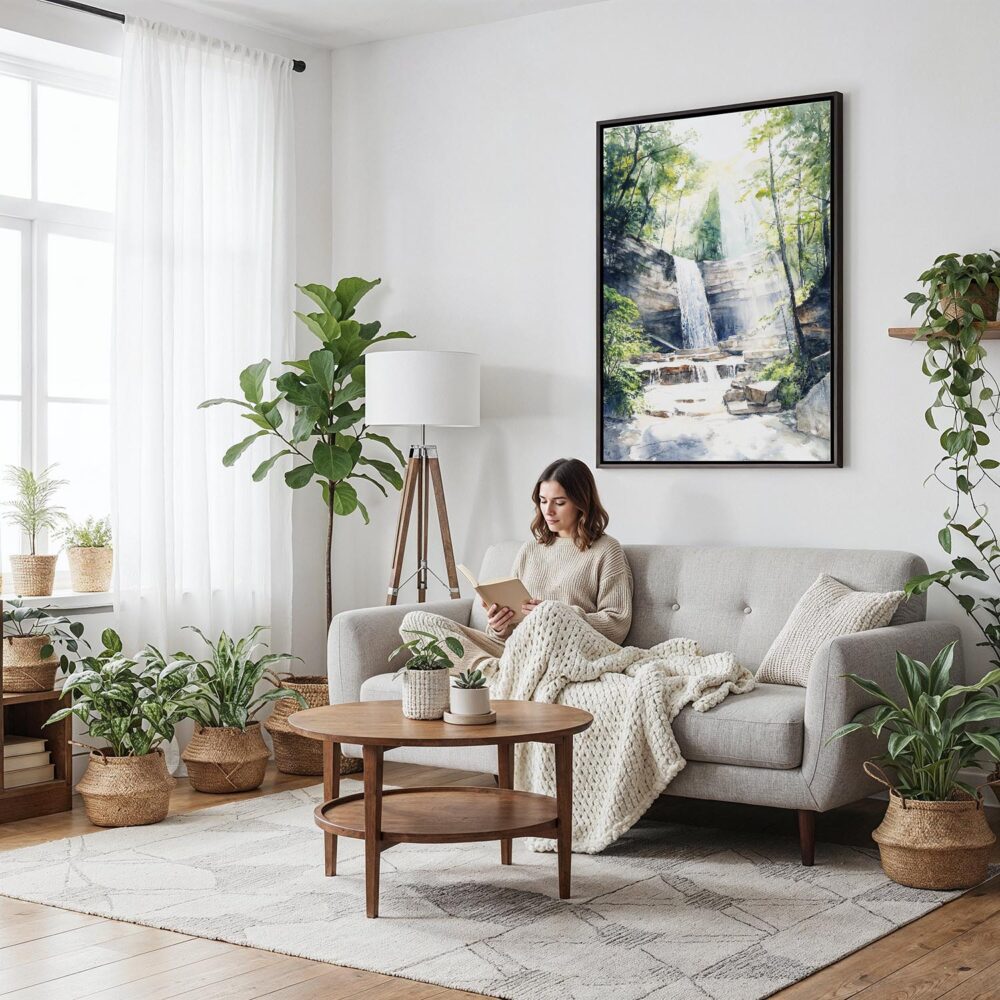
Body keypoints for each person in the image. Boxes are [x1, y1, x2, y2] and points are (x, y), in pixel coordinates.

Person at [399, 457, 633, 676]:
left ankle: (497, 675)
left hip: (566, 652)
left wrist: (557, 614)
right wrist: (500, 626)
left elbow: (617, 625)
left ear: (582, 503)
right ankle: (490, 671)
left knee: (550, 612)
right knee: (415, 621)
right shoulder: (530, 549)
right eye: (543, 501)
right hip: (515, 650)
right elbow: (504, 636)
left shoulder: (606, 550)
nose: (548, 511)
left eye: (559, 503)